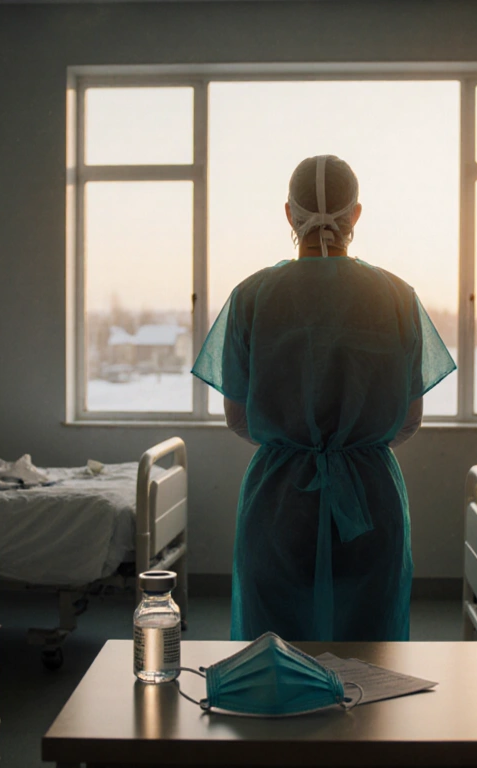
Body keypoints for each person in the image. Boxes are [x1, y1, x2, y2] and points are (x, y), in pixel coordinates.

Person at [192, 155, 455, 642]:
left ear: (289, 215)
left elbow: (238, 417)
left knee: (276, 652)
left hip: (279, 506)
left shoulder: (251, 297)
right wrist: (351, 448)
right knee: (371, 659)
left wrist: (298, 445)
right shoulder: (396, 297)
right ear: (356, 214)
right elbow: (408, 419)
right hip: (370, 504)